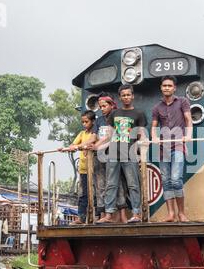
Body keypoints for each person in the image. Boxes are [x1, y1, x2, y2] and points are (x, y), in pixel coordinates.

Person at [96, 84, 147, 223]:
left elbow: (141, 134)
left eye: (128, 94)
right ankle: (109, 214)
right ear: (120, 97)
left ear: (132, 96)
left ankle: (136, 214)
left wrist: (143, 147)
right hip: (113, 154)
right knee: (111, 185)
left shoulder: (139, 114)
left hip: (129, 154)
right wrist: (96, 146)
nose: (126, 97)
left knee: (133, 185)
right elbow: (110, 135)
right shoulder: (114, 114)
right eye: (123, 95)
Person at [151, 75, 192, 222]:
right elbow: (154, 126)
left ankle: (181, 213)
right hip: (164, 148)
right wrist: (154, 138)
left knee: (176, 179)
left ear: (174, 88)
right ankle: (171, 214)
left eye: (169, 85)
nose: (167, 88)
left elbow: (188, 120)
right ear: (161, 88)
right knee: (166, 181)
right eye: (164, 86)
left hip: (178, 145)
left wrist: (188, 135)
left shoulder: (183, 101)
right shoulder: (157, 107)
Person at [87, 93, 129, 223]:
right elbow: (94, 136)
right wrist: (87, 144)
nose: (102, 108)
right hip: (99, 157)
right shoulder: (99, 120)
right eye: (100, 106)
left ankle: (122, 215)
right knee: (100, 185)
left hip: (114, 154)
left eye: (104, 106)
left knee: (118, 184)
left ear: (111, 105)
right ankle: (105, 214)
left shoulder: (118, 116)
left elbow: (114, 136)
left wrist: (98, 146)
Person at [59, 110, 96, 224]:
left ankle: (96, 217)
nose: (84, 124)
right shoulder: (82, 134)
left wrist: (79, 146)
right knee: (82, 195)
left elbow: (89, 144)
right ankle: (81, 217)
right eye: (83, 122)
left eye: (86, 122)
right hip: (83, 169)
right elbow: (73, 145)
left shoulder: (95, 133)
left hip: (95, 170)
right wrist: (67, 148)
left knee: (95, 194)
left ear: (93, 121)